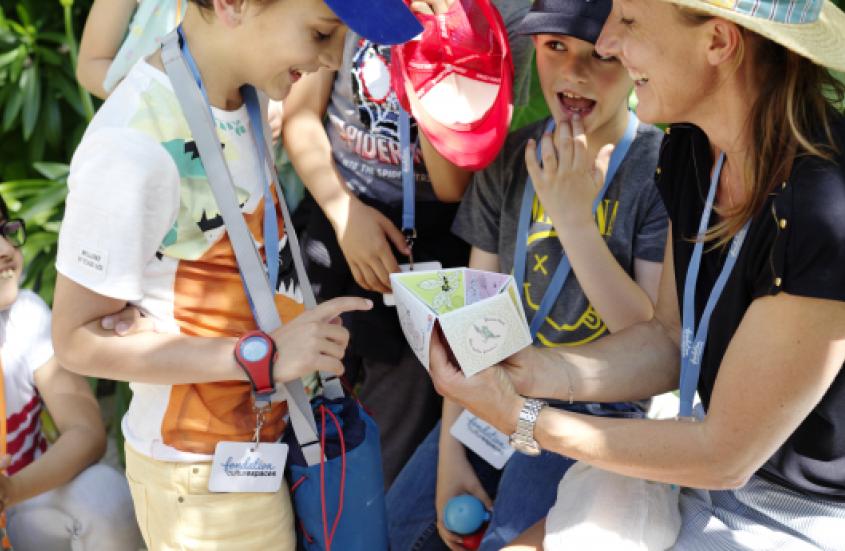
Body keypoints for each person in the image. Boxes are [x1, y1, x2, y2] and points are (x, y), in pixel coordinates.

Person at [427, 0, 845, 549]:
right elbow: (671, 339)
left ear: (719, 42)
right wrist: (528, 370)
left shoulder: (823, 207)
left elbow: (726, 457)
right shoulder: (693, 148)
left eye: (628, 21)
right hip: (697, 458)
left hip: (792, 513)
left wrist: (521, 416)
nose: (606, 44)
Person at [50, 0, 419, 548]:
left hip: (260, 443)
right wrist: (262, 356)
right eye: (322, 31)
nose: (338, 60)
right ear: (233, 5)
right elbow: (75, 341)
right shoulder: (131, 148)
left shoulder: (239, 98)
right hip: (199, 473)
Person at [386, 1, 668, 548]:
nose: (575, 72)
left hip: (598, 412)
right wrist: (450, 453)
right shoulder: (513, 156)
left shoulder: (654, 168)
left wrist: (571, 218)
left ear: (632, 59)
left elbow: (652, 339)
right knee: (398, 530)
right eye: (556, 47)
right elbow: (470, 312)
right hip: (492, 390)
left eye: (599, 56)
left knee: (508, 538)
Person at [281, 0, 533, 487]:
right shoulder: (360, 9)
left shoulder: (487, 20)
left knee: (386, 444)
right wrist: (345, 213)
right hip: (337, 230)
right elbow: (300, 118)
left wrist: (426, 68)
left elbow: (453, 186)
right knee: (321, 419)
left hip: (424, 255)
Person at [0, 194, 141, 551]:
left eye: (5, 231)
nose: (4, 249)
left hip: (20, 506)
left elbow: (86, 432)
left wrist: (9, 491)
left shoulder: (24, 318)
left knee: (106, 497)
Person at [77, 0, 285, 142]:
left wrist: (267, 97)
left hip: (235, 147)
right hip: (149, 140)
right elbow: (91, 65)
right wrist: (160, 107)